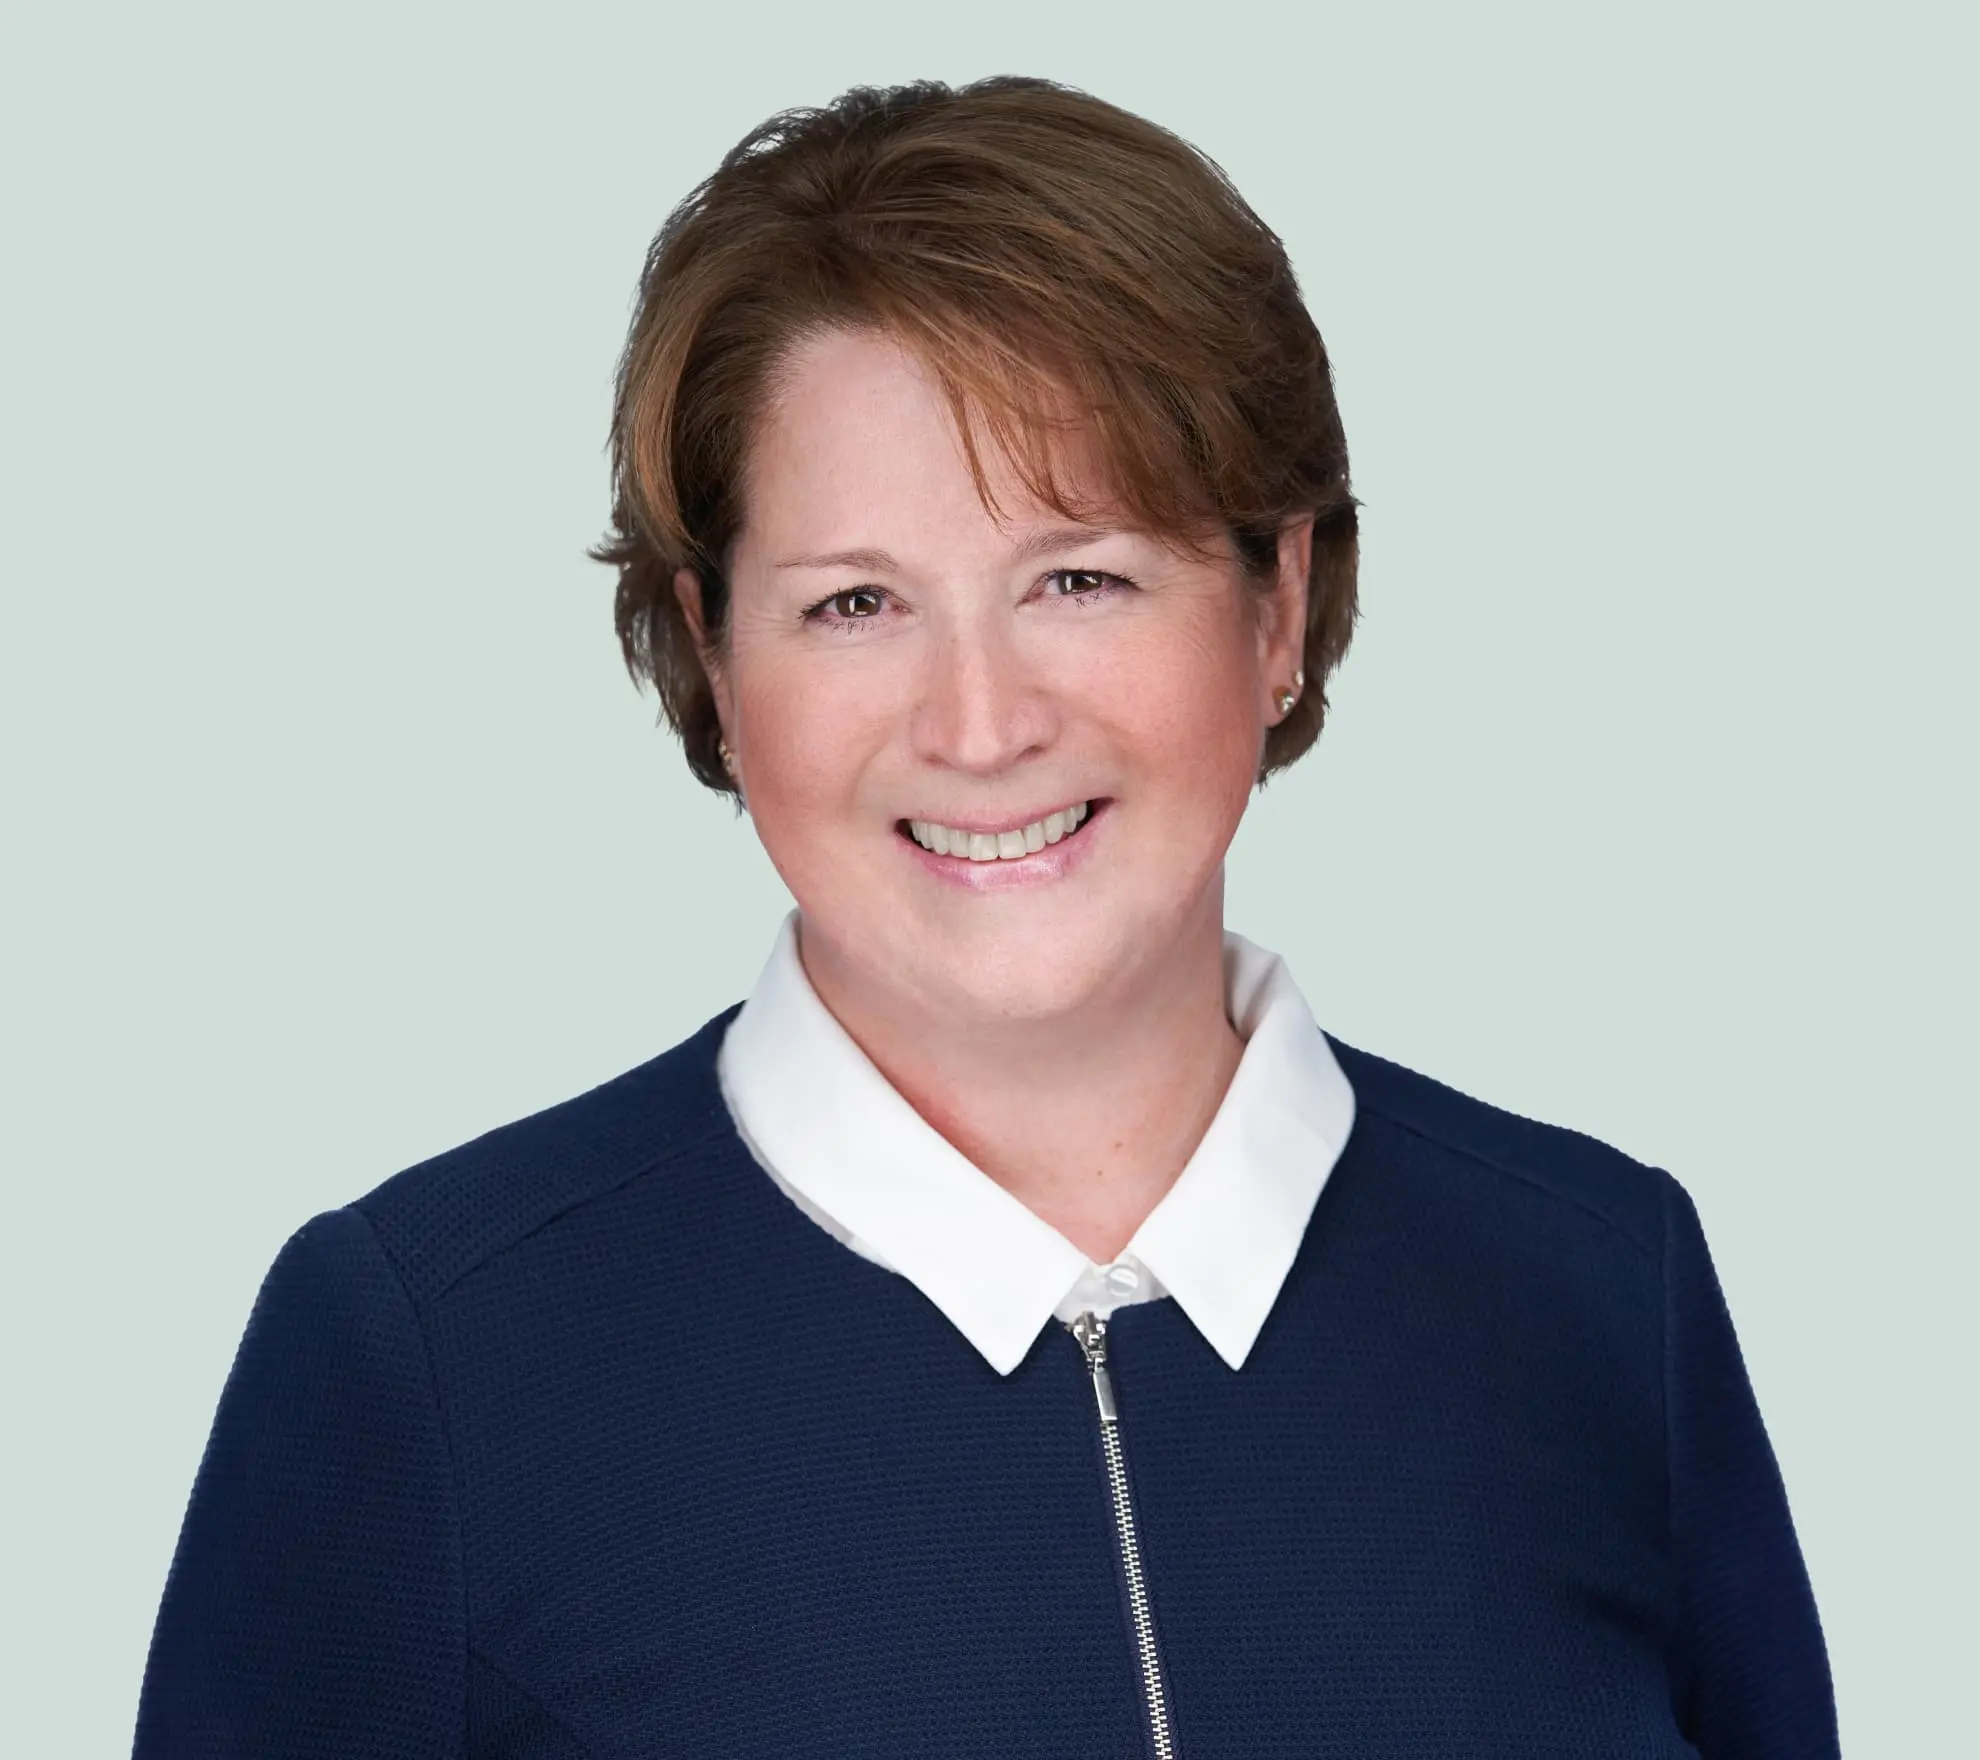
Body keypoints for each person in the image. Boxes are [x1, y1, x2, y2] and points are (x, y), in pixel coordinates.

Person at [134, 77, 1838, 1759]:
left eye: (1079, 578)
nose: (980, 723)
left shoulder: (1603, 1294)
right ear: (713, 654)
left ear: (1278, 604)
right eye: (855, 603)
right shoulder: (425, 1361)